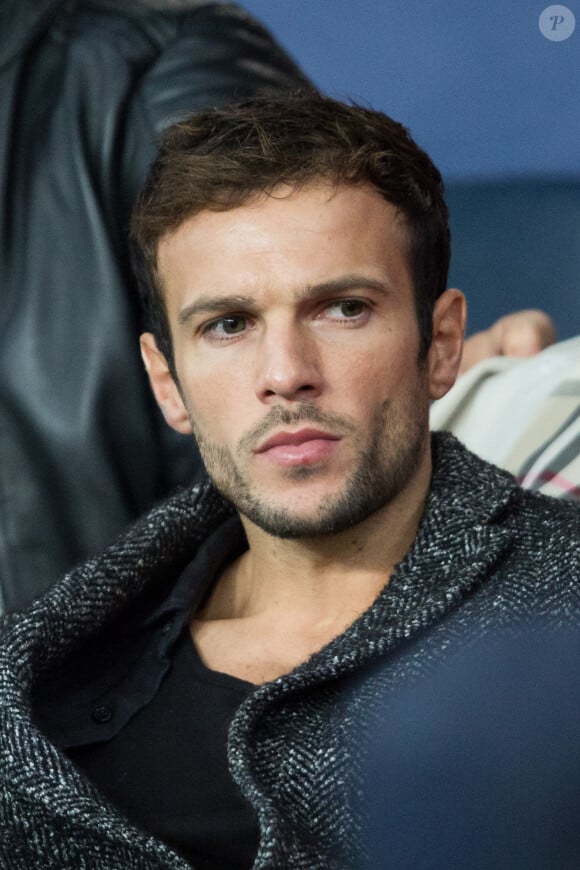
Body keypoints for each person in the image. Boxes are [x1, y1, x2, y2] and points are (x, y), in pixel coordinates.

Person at [1, 94, 578, 869]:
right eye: (228, 325)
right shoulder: (40, 673)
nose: (286, 376)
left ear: (440, 345)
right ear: (168, 384)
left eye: (343, 308)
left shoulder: (562, 605)